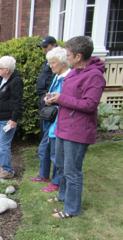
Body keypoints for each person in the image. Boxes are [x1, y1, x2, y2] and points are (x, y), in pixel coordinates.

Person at [46, 36, 105, 218]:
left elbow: (89, 105)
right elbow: (68, 97)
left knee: (72, 171)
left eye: (69, 55)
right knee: (62, 166)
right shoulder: (73, 72)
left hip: (78, 131)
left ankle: (72, 209)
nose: (67, 59)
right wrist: (55, 98)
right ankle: (63, 196)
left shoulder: (94, 76)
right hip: (63, 127)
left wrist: (61, 99)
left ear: (79, 56)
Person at [29, 47, 71, 192]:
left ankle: (57, 183)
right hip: (51, 121)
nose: (50, 66)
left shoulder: (67, 78)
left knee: (56, 155)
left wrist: (54, 100)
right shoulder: (57, 77)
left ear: (63, 62)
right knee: (44, 149)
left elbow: (66, 100)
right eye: (49, 63)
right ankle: (45, 176)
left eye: (53, 63)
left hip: (60, 122)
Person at [0, 56, 23, 179]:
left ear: (7, 70)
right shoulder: (1, 80)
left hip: (8, 118)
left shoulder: (16, 81)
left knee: (4, 144)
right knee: (1, 143)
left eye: (0, 68)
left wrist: (14, 119)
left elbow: (17, 101)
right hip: (0, 117)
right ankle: (4, 166)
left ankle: (8, 170)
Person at [35, 36, 57, 158]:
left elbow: (53, 79)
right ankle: (43, 150)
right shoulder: (47, 60)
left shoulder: (56, 61)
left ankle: (44, 152)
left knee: (48, 126)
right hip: (43, 96)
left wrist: (48, 94)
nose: (44, 49)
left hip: (48, 96)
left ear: (54, 45)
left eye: (46, 46)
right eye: (43, 47)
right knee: (43, 125)